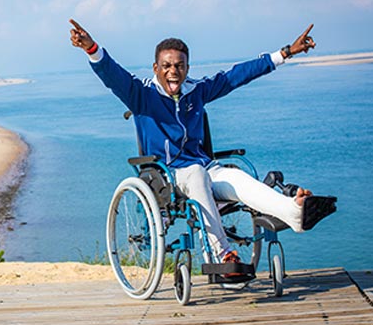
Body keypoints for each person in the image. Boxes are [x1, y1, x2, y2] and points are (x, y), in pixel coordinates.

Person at [69, 19, 322, 271]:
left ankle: (294, 212)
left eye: (179, 65)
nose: (173, 71)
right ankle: (221, 253)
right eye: (166, 66)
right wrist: (91, 48)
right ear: (155, 68)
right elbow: (112, 75)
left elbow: (237, 75)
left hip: (205, 169)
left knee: (238, 178)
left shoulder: (197, 91)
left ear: (187, 67)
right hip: (168, 176)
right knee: (197, 173)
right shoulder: (141, 95)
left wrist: (286, 52)